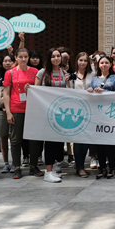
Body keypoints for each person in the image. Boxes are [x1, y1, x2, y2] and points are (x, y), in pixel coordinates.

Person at [34, 48, 71, 183]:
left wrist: (68, 82)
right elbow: (36, 91)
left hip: (61, 113)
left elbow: (69, 92)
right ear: (49, 59)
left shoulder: (64, 73)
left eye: (58, 56)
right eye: (53, 56)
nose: (56, 58)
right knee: (49, 142)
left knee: (58, 142)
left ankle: (54, 167)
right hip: (47, 113)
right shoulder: (42, 73)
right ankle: (48, 172)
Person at [3, 48, 38, 179]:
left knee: (34, 140)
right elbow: (6, 93)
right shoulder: (10, 73)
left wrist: (32, 88)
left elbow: (39, 89)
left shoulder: (35, 71)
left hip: (32, 110)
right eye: (21, 57)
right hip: (16, 109)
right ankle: (17, 167)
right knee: (16, 140)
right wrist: (8, 112)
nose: (23, 59)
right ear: (16, 58)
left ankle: (33, 166)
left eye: (26, 57)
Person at [88, 55, 115, 179]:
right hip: (98, 115)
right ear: (98, 65)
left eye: (106, 62)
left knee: (110, 143)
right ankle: (101, 167)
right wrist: (91, 92)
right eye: (102, 63)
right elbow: (91, 97)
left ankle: (112, 167)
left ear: (110, 64)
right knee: (99, 144)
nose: (104, 65)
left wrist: (104, 92)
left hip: (111, 114)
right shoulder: (94, 80)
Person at [71, 52, 95, 178]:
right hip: (76, 111)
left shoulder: (93, 75)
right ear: (77, 61)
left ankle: (81, 165)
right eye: (81, 60)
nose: (83, 63)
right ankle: (79, 167)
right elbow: (69, 92)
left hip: (90, 110)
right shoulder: (72, 76)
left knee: (86, 140)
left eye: (85, 60)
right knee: (77, 140)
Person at [0, 53, 15, 173]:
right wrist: (2, 107)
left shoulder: (16, 74)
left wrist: (9, 109)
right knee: (3, 137)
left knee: (13, 138)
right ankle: (6, 163)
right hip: (0, 111)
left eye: (10, 60)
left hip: (14, 110)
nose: (7, 63)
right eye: (5, 61)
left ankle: (15, 163)